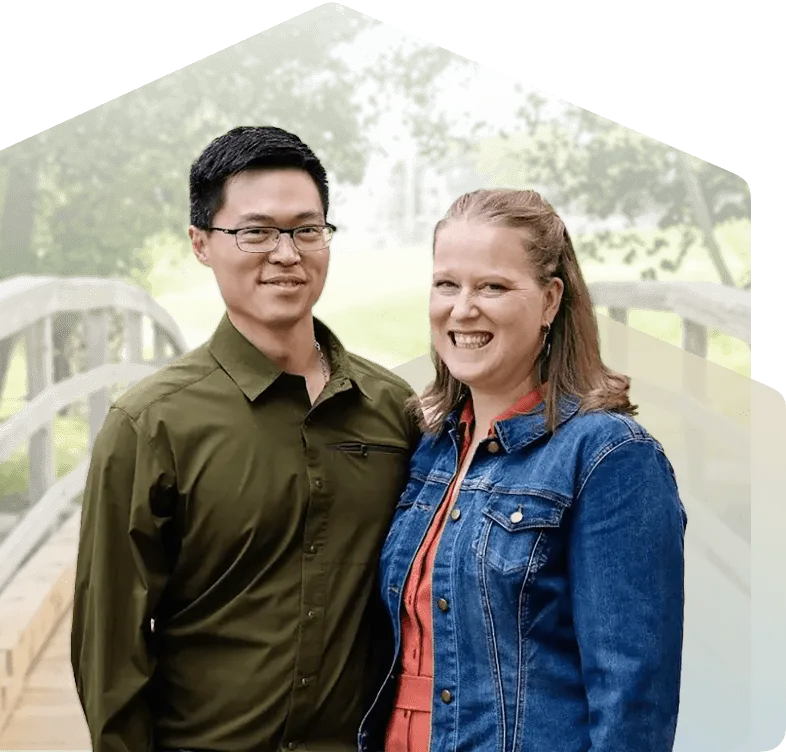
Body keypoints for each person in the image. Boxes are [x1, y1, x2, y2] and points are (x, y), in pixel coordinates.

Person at [70, 125, 422, 752]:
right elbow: (109, 652)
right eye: (255, 232)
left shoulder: (394, 410)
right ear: (202, 243)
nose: (286, 254)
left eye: (307, 230)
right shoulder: (151, 425)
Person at [358, 189, 687, 752]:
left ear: (550, 300)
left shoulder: (609, 457)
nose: (463, 309)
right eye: (447, 284)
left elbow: (633, 703)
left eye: (493, 286)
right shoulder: (430, 449)